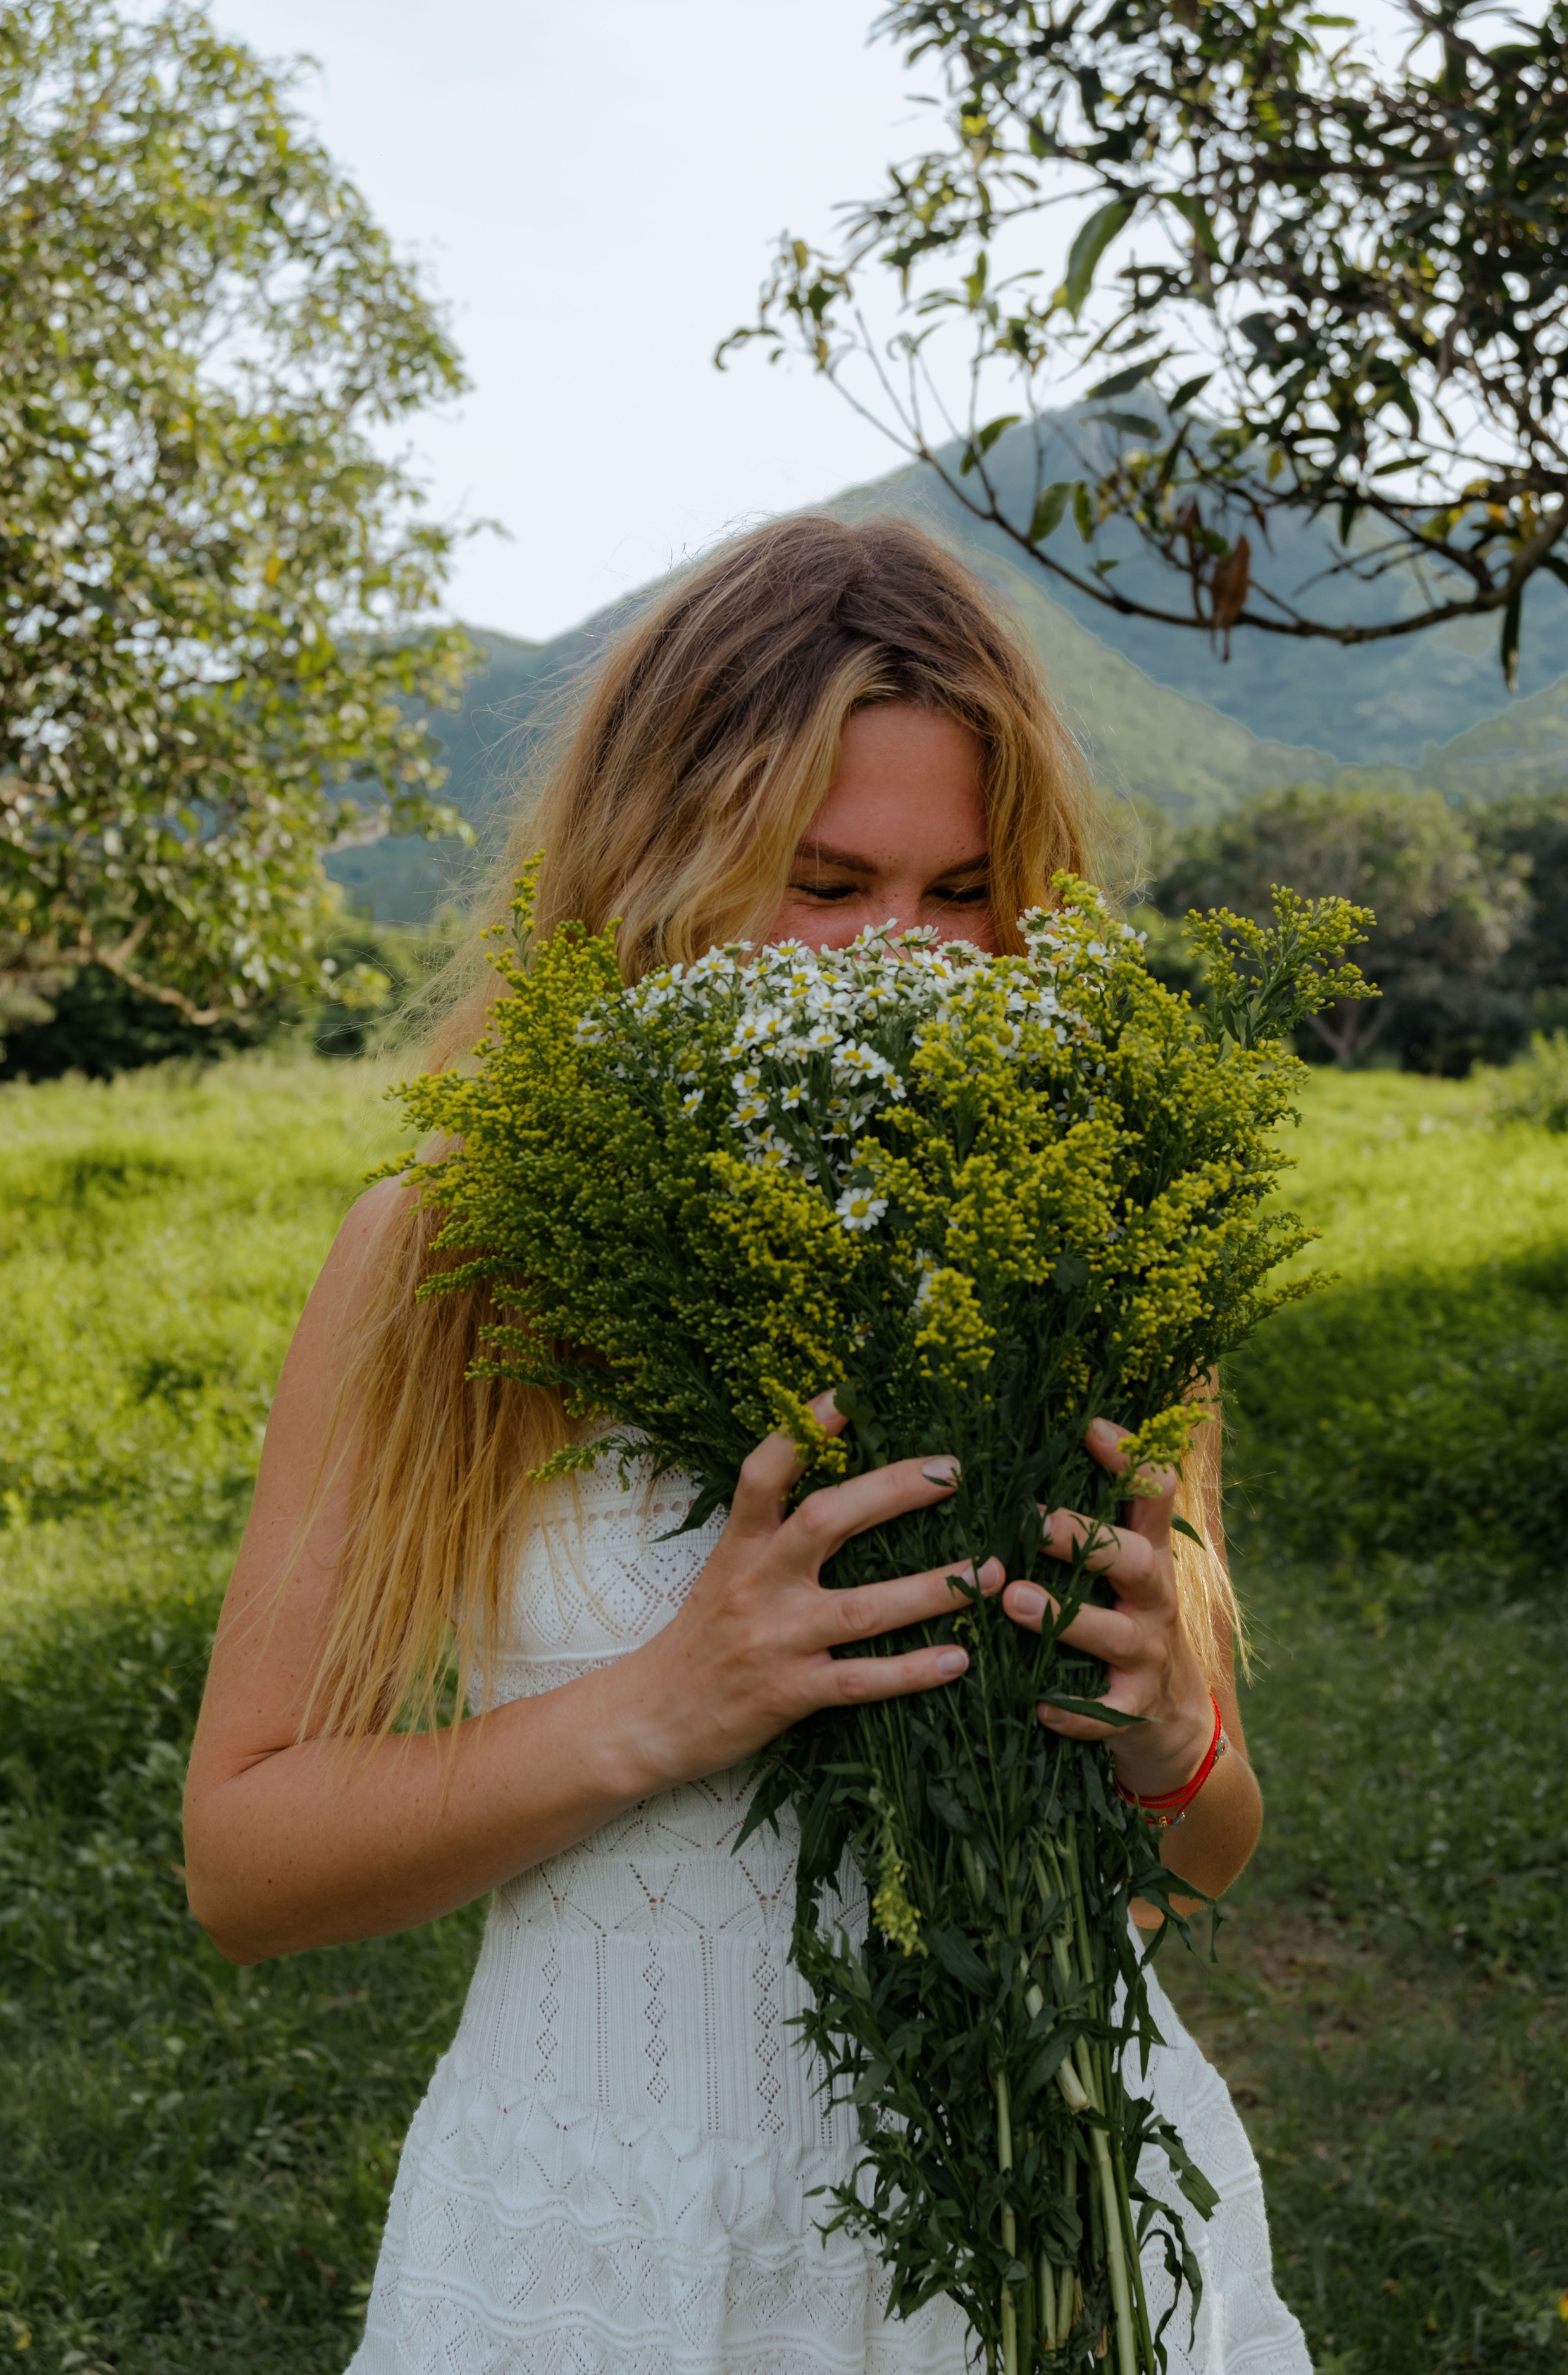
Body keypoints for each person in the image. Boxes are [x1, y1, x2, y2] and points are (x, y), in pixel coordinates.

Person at [183, 514, 1311, 2374]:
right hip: (606, 2249)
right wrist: (666, 1700)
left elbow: (1207, 1854)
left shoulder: (1091, 1250)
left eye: (965, 892)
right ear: (662, 867)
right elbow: (247, 1861)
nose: (905, 955)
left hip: (1062, 2224)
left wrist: (1173, 1739)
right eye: (825, 879)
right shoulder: (450, 1256)